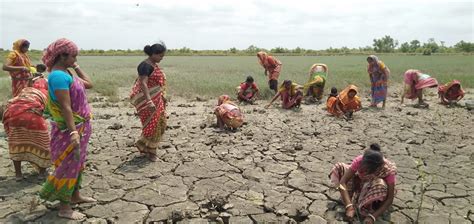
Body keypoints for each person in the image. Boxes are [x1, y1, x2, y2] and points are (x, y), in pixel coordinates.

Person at [39, 38, 95, 220]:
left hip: (81, 126)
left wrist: (76, 66)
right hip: (69, 130)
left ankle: (75, 195)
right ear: (62, 56)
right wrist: (73, 133)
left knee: (77, 163)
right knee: (67, 165)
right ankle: (64, 208)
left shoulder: (67, 73)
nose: (75, 59)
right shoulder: (57, 76)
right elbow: (66, 107)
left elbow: (89, 83)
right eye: (73, 56)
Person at [329, 144, 397, 224]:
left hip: (371, 189)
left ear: (376, 168)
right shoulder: (359, 161)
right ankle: (352, 200)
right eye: (363, 166)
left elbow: (390, 199)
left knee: (380, 185)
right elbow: (342, 183)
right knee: (339, 168)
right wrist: (349, 206)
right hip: (360, 184)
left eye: (367, 169)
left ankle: (368, 206)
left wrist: (372, 217)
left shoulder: (387, 170)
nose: (363, 169)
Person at [2, 77, 50, 181]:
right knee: (43, 144)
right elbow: (46, 111)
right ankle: (42, 173)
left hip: (13, 115)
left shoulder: (25, 90)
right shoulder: (46, 93)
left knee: (16, 143)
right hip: (32, 117)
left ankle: (18, 175)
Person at [130, 42, 168, 162]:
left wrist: (161, 96)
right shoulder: (145, 66)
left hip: (157, 99)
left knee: (160, 123)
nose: (161, 58)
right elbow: (143, 84)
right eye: (160, 56)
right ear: (153, 54)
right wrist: (149, 101)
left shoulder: (153, 64)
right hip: (149, 100)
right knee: (153, 125)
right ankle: (151, 152)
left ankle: (146, 148)